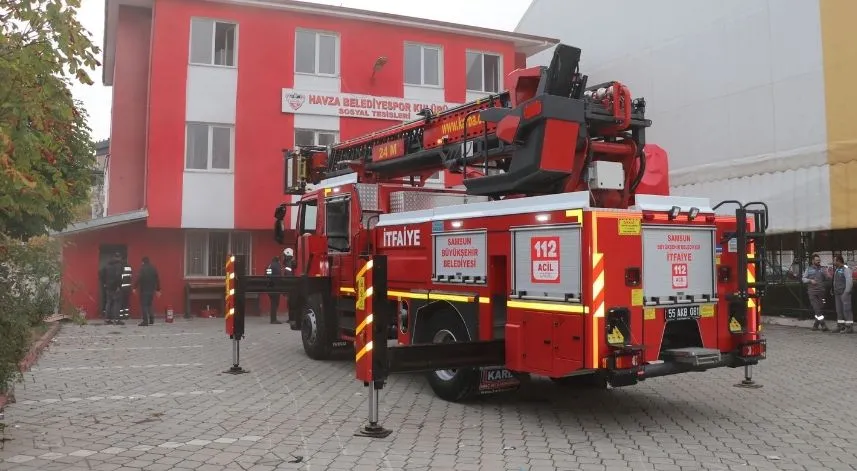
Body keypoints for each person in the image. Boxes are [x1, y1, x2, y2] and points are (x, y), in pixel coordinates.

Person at [802, 253, 830, 332]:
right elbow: (803, 279)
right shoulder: (809, 269)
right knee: (816, 308)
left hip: (821, 292)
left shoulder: (823, 268)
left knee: (820, 309)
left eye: (819, 260)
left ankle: (815, 325)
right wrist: (810, 280)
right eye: (817, 260)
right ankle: (823, 324)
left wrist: (828, 274)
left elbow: (828, 277)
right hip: (812, 292)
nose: (818, 261)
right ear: (813, 261)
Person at [133, 256, 161, 326]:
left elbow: (139, 278)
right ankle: (151, 319)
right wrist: (158, 289)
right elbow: (157, 279)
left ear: (142, 262)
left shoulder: (142, 269)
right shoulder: (153, 268)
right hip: (151, 290)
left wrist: (134, 287)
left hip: (144, 290)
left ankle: (145, 321)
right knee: (149, 305)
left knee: (144, 305)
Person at [832, 255, 853, 334]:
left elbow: (849, 281)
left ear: (838, 261)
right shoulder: (837, 269)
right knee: (839, 311)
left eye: (834, 260)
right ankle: (840, 325)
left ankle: (849, 327)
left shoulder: (846, 269)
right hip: (838, 293)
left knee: (847, 310)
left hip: (844, 293)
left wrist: (846, 292)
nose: (833, 262)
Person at [103, 253, 126, 326]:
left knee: (109, 303)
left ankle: (107, 319)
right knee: (117, 303)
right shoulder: (119, 265)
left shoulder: (107, 265)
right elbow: (118, 276)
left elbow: (102, 274)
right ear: (119, 258)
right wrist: (118, 286)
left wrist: (105, 283)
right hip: (116, 287)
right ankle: (116, 319)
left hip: (108, 287)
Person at [266, 256, 283, 324]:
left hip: (270, 287)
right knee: (275, 303)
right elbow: (279, 277)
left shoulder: (270, 265)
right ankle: (273, 320)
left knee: (273, 303)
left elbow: (267, 275)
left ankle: (273, 319)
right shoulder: (277, 266)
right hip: (275, 287)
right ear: (278, 260)